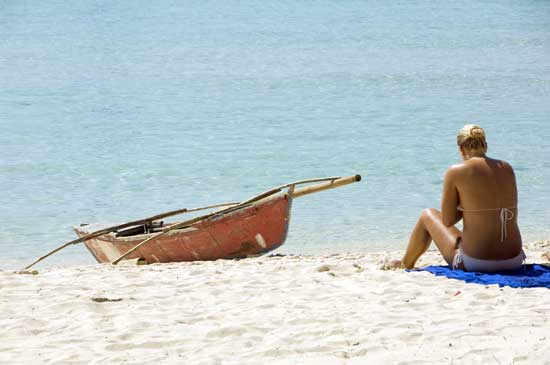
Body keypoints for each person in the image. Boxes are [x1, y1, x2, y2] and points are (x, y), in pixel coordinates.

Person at [388, 124, 524, 272]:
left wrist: (465, 205)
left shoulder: (456, 172)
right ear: (485, 146)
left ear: (461, 149)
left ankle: (405, 264)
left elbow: (448, 220)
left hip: (478, 262)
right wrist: (473, 205)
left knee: (427, 215)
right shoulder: (507, 168)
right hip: (514, 259)